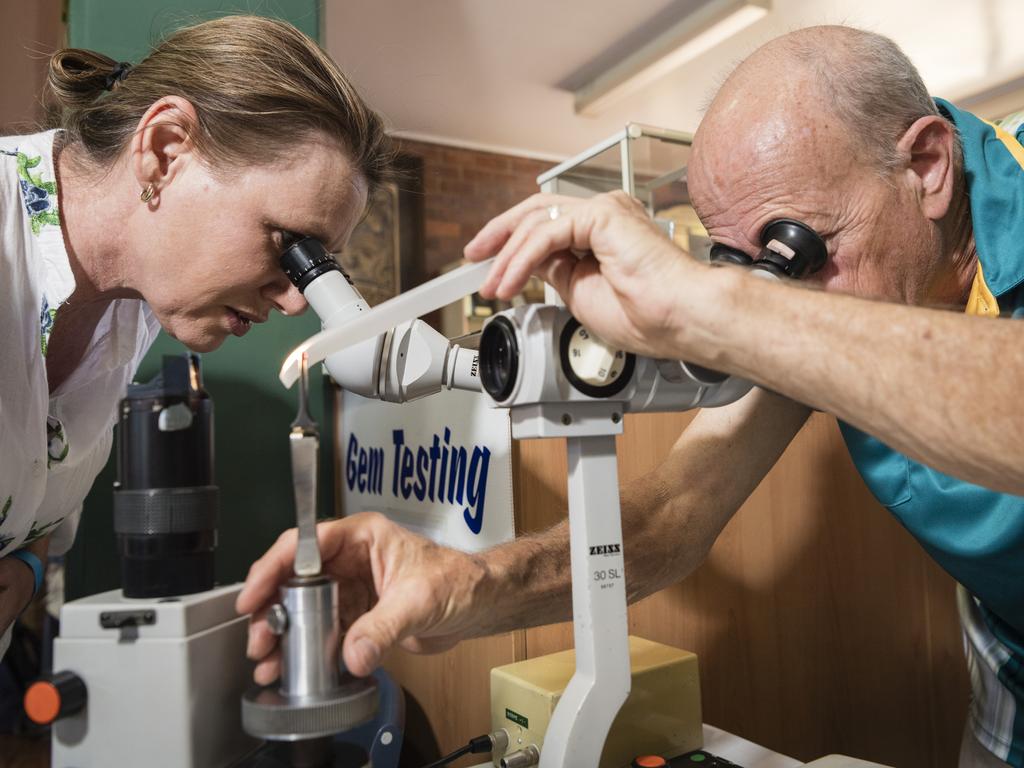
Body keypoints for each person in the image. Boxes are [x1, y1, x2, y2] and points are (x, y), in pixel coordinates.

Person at [238, 25, 1024, 767]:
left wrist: (713, 305)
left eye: (795, 250)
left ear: (926, 166)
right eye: (737, 262)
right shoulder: (840, 289)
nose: (777, 293)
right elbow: (670, 519)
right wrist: (462, 586)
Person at [0, 14, 392, 660]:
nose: (297, 300)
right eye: (286, 245)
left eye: (316, 271)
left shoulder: (130, 312)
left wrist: (30, 575)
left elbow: (33, 515)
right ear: (165, 148)